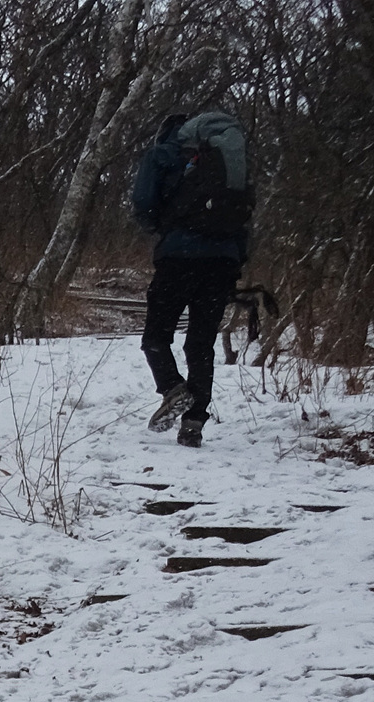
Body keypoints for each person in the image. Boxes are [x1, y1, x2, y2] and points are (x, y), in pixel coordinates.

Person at [131, 109, 255, 448]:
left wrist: (161, 226)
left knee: (156, 337)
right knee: (200, 343)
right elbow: (243, 216)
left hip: (178, 257)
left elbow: (143, 203)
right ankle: (193, 424)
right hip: (223, 262)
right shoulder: (230, 161)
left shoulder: (162, 154)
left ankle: (173, 389)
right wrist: (234, 260)